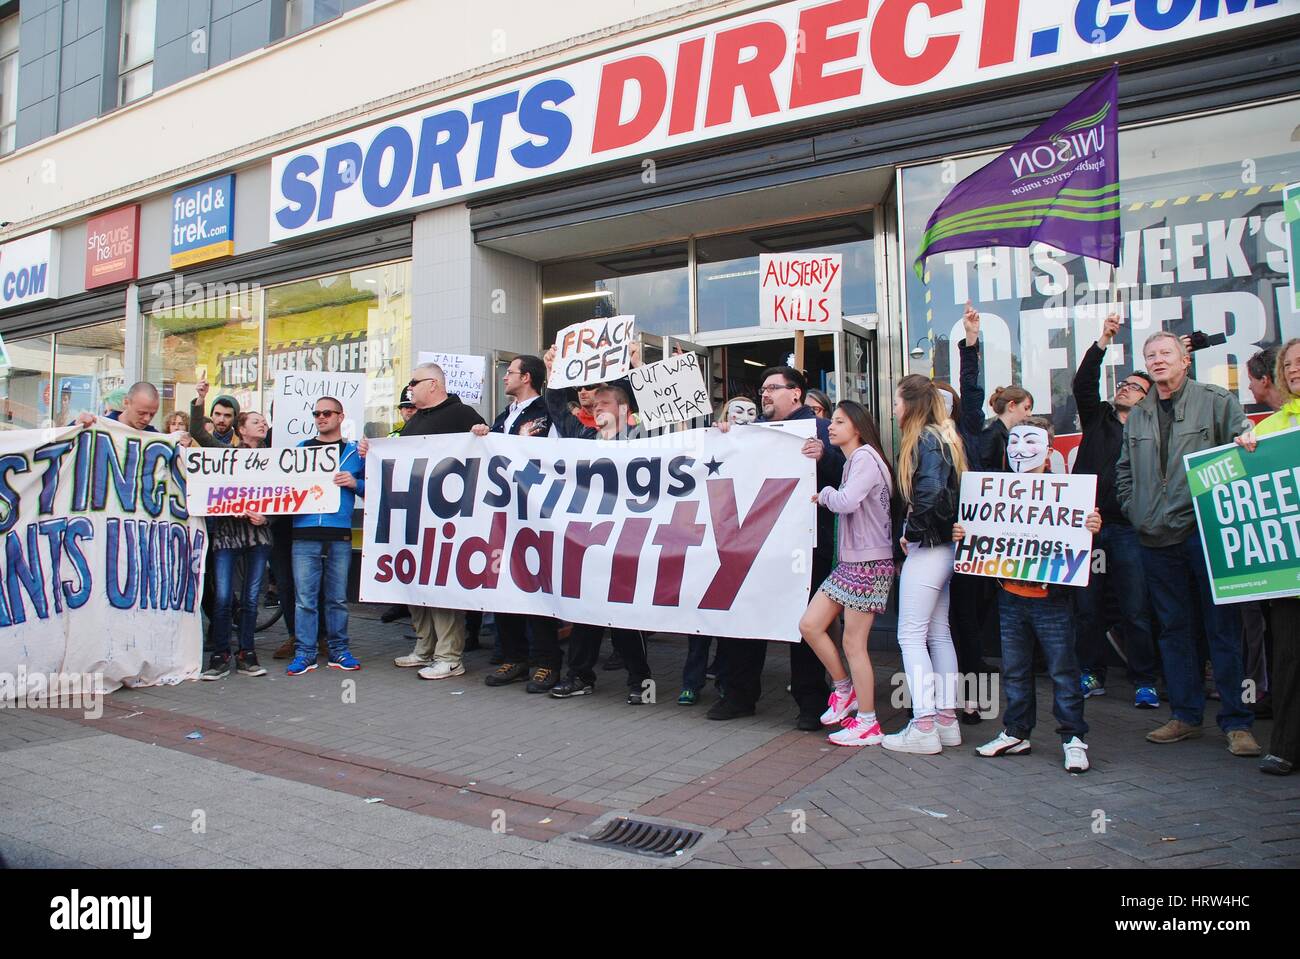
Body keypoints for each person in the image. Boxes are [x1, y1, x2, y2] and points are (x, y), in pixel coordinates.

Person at [1115, 330, 1260, 757]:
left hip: (1204, 534)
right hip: (1154, 537)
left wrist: (1246, 440)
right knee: (1174, 630)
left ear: (1184, 361)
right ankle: (1185, 716)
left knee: (1223, 631)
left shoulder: (1215, 401)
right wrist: (1134, 508)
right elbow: (1125, 471)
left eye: (1165, 354)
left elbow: (1243, 447)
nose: (1158, 361)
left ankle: (1237, 723)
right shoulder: (1138, 414)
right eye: (1150, 355)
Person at [960, 417, 1100, 772]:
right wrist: (964, 531)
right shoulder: (992, 491)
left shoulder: (1067, 493)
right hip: (1010, 596)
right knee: (1015, 671)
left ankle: (1073, 738)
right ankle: (1016, 731)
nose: (1020, 450)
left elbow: (1078, 541)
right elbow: (980, 534)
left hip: (1051, 601)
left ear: (1050, 452)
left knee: (1062, 671)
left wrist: (1090, 526)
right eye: (1014, 442)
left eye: (1031, 442)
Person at [707, 366, 844, 728]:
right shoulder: (752, 430)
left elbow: (848, 474)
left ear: (796, 393)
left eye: (772, 388)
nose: (764, 395)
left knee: (804, 625)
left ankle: (810, 702)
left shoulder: (819, 429)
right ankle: (739, 694)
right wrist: (723, 436)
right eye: (763, 389)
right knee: (748, 614)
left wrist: (825, 457)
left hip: (805, 544)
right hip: (756, 543)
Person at [540, 350, 653, 703]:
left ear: (623, 409)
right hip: (588, 540)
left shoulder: (642, 438)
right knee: (585, 609)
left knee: (623, 614)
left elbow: (664, 407)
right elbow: (557, 403)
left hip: (628, 539)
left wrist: (639, 366)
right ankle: (579, 676)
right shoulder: (582, 438)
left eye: (605, 401)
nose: (597, 407)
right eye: (595, 402)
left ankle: (641, 681)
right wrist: (553, 368)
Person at [372, 363, 485, 679]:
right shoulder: (415, 420)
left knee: (440, 587)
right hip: (413, 517)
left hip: (446, 519)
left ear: (434, 384)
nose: (410, 388)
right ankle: (425, 648)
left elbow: (486, 454)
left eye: (414, 382)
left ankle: (449, 656)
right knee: (416, 585)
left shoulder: (463, 416)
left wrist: (482, 434)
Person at [1071, 313, 1160, 709]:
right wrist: (1103, 340)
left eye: (1135, 387)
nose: (1125, 389)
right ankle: (1090, 672)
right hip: (1088, 526)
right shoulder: (1098, 419)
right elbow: (1082, 384)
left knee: (1135, 606)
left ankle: (1144, 680)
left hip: (1126, 528)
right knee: (1087, 607)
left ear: (1148, 397)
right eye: (1123, 384)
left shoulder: (1152, 429)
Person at [798, 400, 896, 746]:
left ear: (857, 426)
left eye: (839, 421)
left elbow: (847, 501)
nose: (832, 426)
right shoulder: (859, 459)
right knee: (810, 625)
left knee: (854, 643)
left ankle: (868, 721)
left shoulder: (866, 458)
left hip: (867, 562)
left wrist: (823, 495)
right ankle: (845, 691)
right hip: (854, 562)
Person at [881, 374, 966, 755]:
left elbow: (929, 493)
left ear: (911, 405)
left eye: (897, 402)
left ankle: (924, 724)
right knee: (938, 633)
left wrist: (911, 531)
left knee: (911, 636)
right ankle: (945, 722)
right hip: (944, 547)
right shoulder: (945, 436)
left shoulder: (926, 439)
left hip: (929, 546)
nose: (894, 409)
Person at [472, 354, 563, 693]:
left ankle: (546, 661)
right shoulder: (503, 417)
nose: (504, 378)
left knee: (536, 585)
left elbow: (557, 457)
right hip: (503, 515)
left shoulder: (548, 412)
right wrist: (482, 435)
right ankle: (514, 657)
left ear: (526, 378)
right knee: (505, 585)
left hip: (537, 513)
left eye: (509, 372)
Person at [1241, 338, 1300, 774]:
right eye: (1290, 364)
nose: (1295, 369)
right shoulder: (1269, 428)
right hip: (1288, 566)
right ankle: (1287, 746)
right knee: (1289, 655)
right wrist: (1244, 455)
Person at [935, 303, 994, 723]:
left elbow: (972, 391)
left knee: (966, 621)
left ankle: (973, 697)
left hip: (968, 541)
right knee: (938, 624)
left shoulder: (966, 431)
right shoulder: (915, 443)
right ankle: (943, 696)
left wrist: (971, 343)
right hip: (934, 543)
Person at [286, 396, 366, 675]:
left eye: (327, 413)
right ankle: (305, 652)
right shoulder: (301, 449)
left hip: (339, 533)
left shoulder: (355, 452)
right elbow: (283, 487)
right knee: (305, 599)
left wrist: (356, 483)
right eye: (317, 413)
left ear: (340, 417)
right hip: (304, 532)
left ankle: (339, 650)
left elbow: (374, 489)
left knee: (337, 598)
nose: (321, 418)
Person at [199, 411, 274, 680]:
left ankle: (247, 653)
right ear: (241, 429)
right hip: (228, 535)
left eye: (264, 422)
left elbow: (284, 495)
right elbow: (199, 431)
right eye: (256, 422)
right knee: (222, 598)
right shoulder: (224, 456)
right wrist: (199, 401)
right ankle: (219, 655)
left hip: (258, 537)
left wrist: (267, 517)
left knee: (251, 599)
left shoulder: (274, 460)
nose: (262, 425)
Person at [976, 384, 1033, 471]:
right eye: (1026, 408)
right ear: (1012, 406)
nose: (1029, 414)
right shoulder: (992, 434)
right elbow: (981, 469)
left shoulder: (999, 433)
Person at [75, 381, 161, 433]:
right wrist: (76, 426)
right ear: (126, 402)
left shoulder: (156, 438)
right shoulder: (98, 426)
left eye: (152, 414)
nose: (147, 419)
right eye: (141, 413)